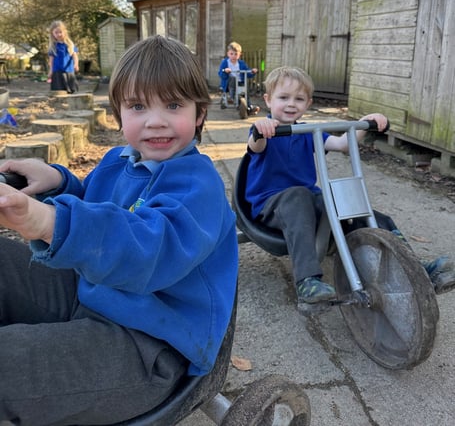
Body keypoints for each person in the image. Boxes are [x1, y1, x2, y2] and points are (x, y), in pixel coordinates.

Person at [0, 35, 238, 426]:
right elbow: (98, 204)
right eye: (139, 105)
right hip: (92, 292)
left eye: (173, 104)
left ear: (199, 114)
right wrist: (58, 182)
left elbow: (146, 246)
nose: (156, 120)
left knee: (9, 366)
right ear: (119, 113)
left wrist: (47, 221)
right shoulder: (119, 160)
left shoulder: (199, 187)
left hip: (148, 344)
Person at [245, 65, 455, 313]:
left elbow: (343, 143)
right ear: (268, 100)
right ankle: (307, 282)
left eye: (299, 99)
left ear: (308, 103)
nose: (291, 104)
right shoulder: (265, 131)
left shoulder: (309, 133)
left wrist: (365, 123)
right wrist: (260, 130)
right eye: (283, 98)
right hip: (270, 204)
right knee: (299, 195)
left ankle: (415, 268)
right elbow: (255, 147)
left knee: (350, 206)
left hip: (306, 201)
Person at [218, 41, 260, 115]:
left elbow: (247, 71)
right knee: (233, 78)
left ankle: (249, 106)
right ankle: (232, 97)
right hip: (229, 83)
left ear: (239, 55)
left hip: (240, 82)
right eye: (231, 54)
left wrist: (252, 71)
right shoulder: (225, 62)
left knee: (246, 90)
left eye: (236, 54)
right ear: (228, 54)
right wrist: (225, 70)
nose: (233, 56)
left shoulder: (241, 63)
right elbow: (220, 72)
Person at [47, 19, 79, 93]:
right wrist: (50, 71)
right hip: (57, 72)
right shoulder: (53, 46)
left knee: (70, 90)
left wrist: (76, 64)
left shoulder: (70, 44)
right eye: (56, 33)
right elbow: (51, 61)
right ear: (52, 34)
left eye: (60, 32)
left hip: (69, 71)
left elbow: (75, 56)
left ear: (64, 32)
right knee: (59, 91)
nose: (59, 34)